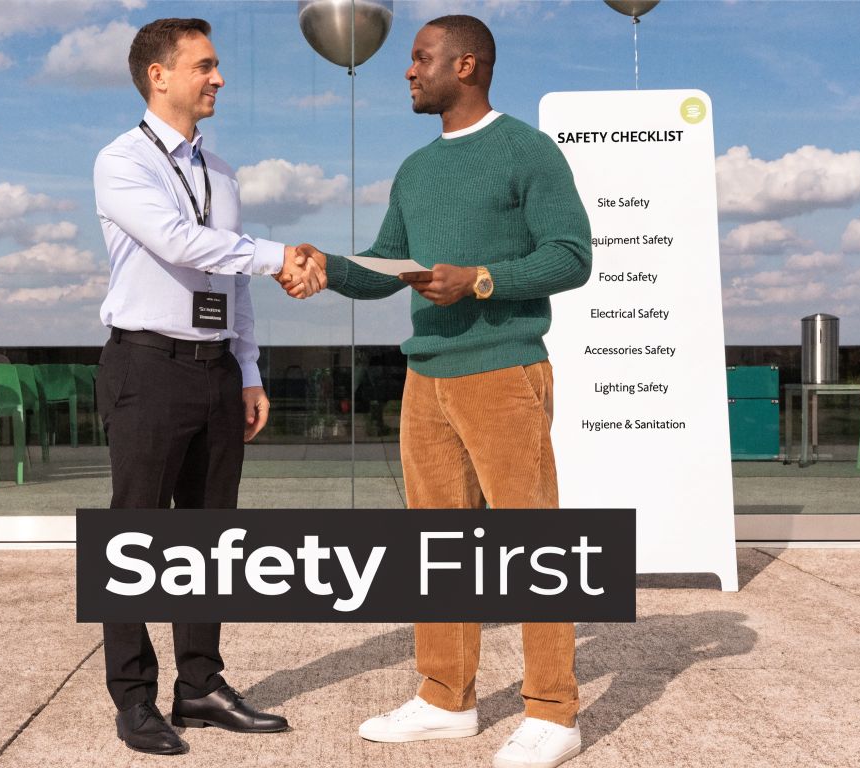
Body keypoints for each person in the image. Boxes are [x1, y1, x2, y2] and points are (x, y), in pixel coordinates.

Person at [285, 14, 593, 768]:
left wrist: (484, 278)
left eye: (421, 58)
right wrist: (324, 261)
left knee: (533, 546)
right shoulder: (417, 170)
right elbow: (389, 264)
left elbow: (572, 255)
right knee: (438, 547)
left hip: (504, 372)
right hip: (427, 379)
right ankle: (445, 699)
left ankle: (555, 713)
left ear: (468, 65)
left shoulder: (527, 151)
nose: (408, 70)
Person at [92, 17, 322, 756]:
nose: (219, 78)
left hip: (215, 370)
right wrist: (283, 253)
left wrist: (249, 370)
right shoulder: (121, 162)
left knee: (209, 536)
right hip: (146, 367)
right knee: (135, 537)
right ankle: (133, 699)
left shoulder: (220, 173)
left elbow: (227, 276)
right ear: (160, 75)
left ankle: (199, 687)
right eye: (205, 65)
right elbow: (181, 242)